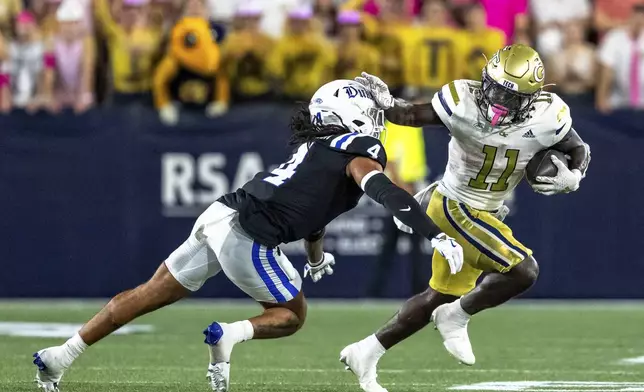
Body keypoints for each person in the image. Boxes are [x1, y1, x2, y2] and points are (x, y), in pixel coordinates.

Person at [32, 79, 464, 392]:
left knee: (150, 292)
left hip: (221, 214)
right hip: (249, 234)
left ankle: (61, 355)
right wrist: (433, 234)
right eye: (370, 110)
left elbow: (313, 214)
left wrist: (314, 257)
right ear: (349, 115)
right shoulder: (359, 150)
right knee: (291, 314)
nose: (376, 118)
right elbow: (380, 187)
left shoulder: (314, 150)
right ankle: (229, 335)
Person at [341, 44, 591, 392]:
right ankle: (457, 316)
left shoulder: (548, 116)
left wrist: (574, 174)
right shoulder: (463, 99)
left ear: (532, 99)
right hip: (454, 205)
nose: (498, 100)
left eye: (511, 95)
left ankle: (366, 350)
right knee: (523, 270)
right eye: (494, 87)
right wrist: (389, 104)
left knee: (438, 295)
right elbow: (412, 115)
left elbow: (578, 148)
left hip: (486, 210)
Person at [596, 2, 644, 113]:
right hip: (619, 101)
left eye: (642, 19)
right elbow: (605, 69)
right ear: (630, 17)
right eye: (636, 18)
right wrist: (601, 100)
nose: (638, 22)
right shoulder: (614, 37)